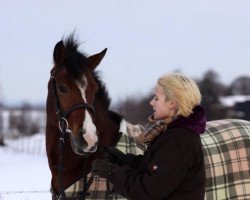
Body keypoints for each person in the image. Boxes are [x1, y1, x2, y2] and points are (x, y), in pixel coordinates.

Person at [92, 73, 206, 200]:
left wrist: (111, 172)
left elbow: (148, 191)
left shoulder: (179, 141)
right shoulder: (171, 132)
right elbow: (151, 168)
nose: (152, 102)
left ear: (172, 104)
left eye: (156, 98)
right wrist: (120, 159)